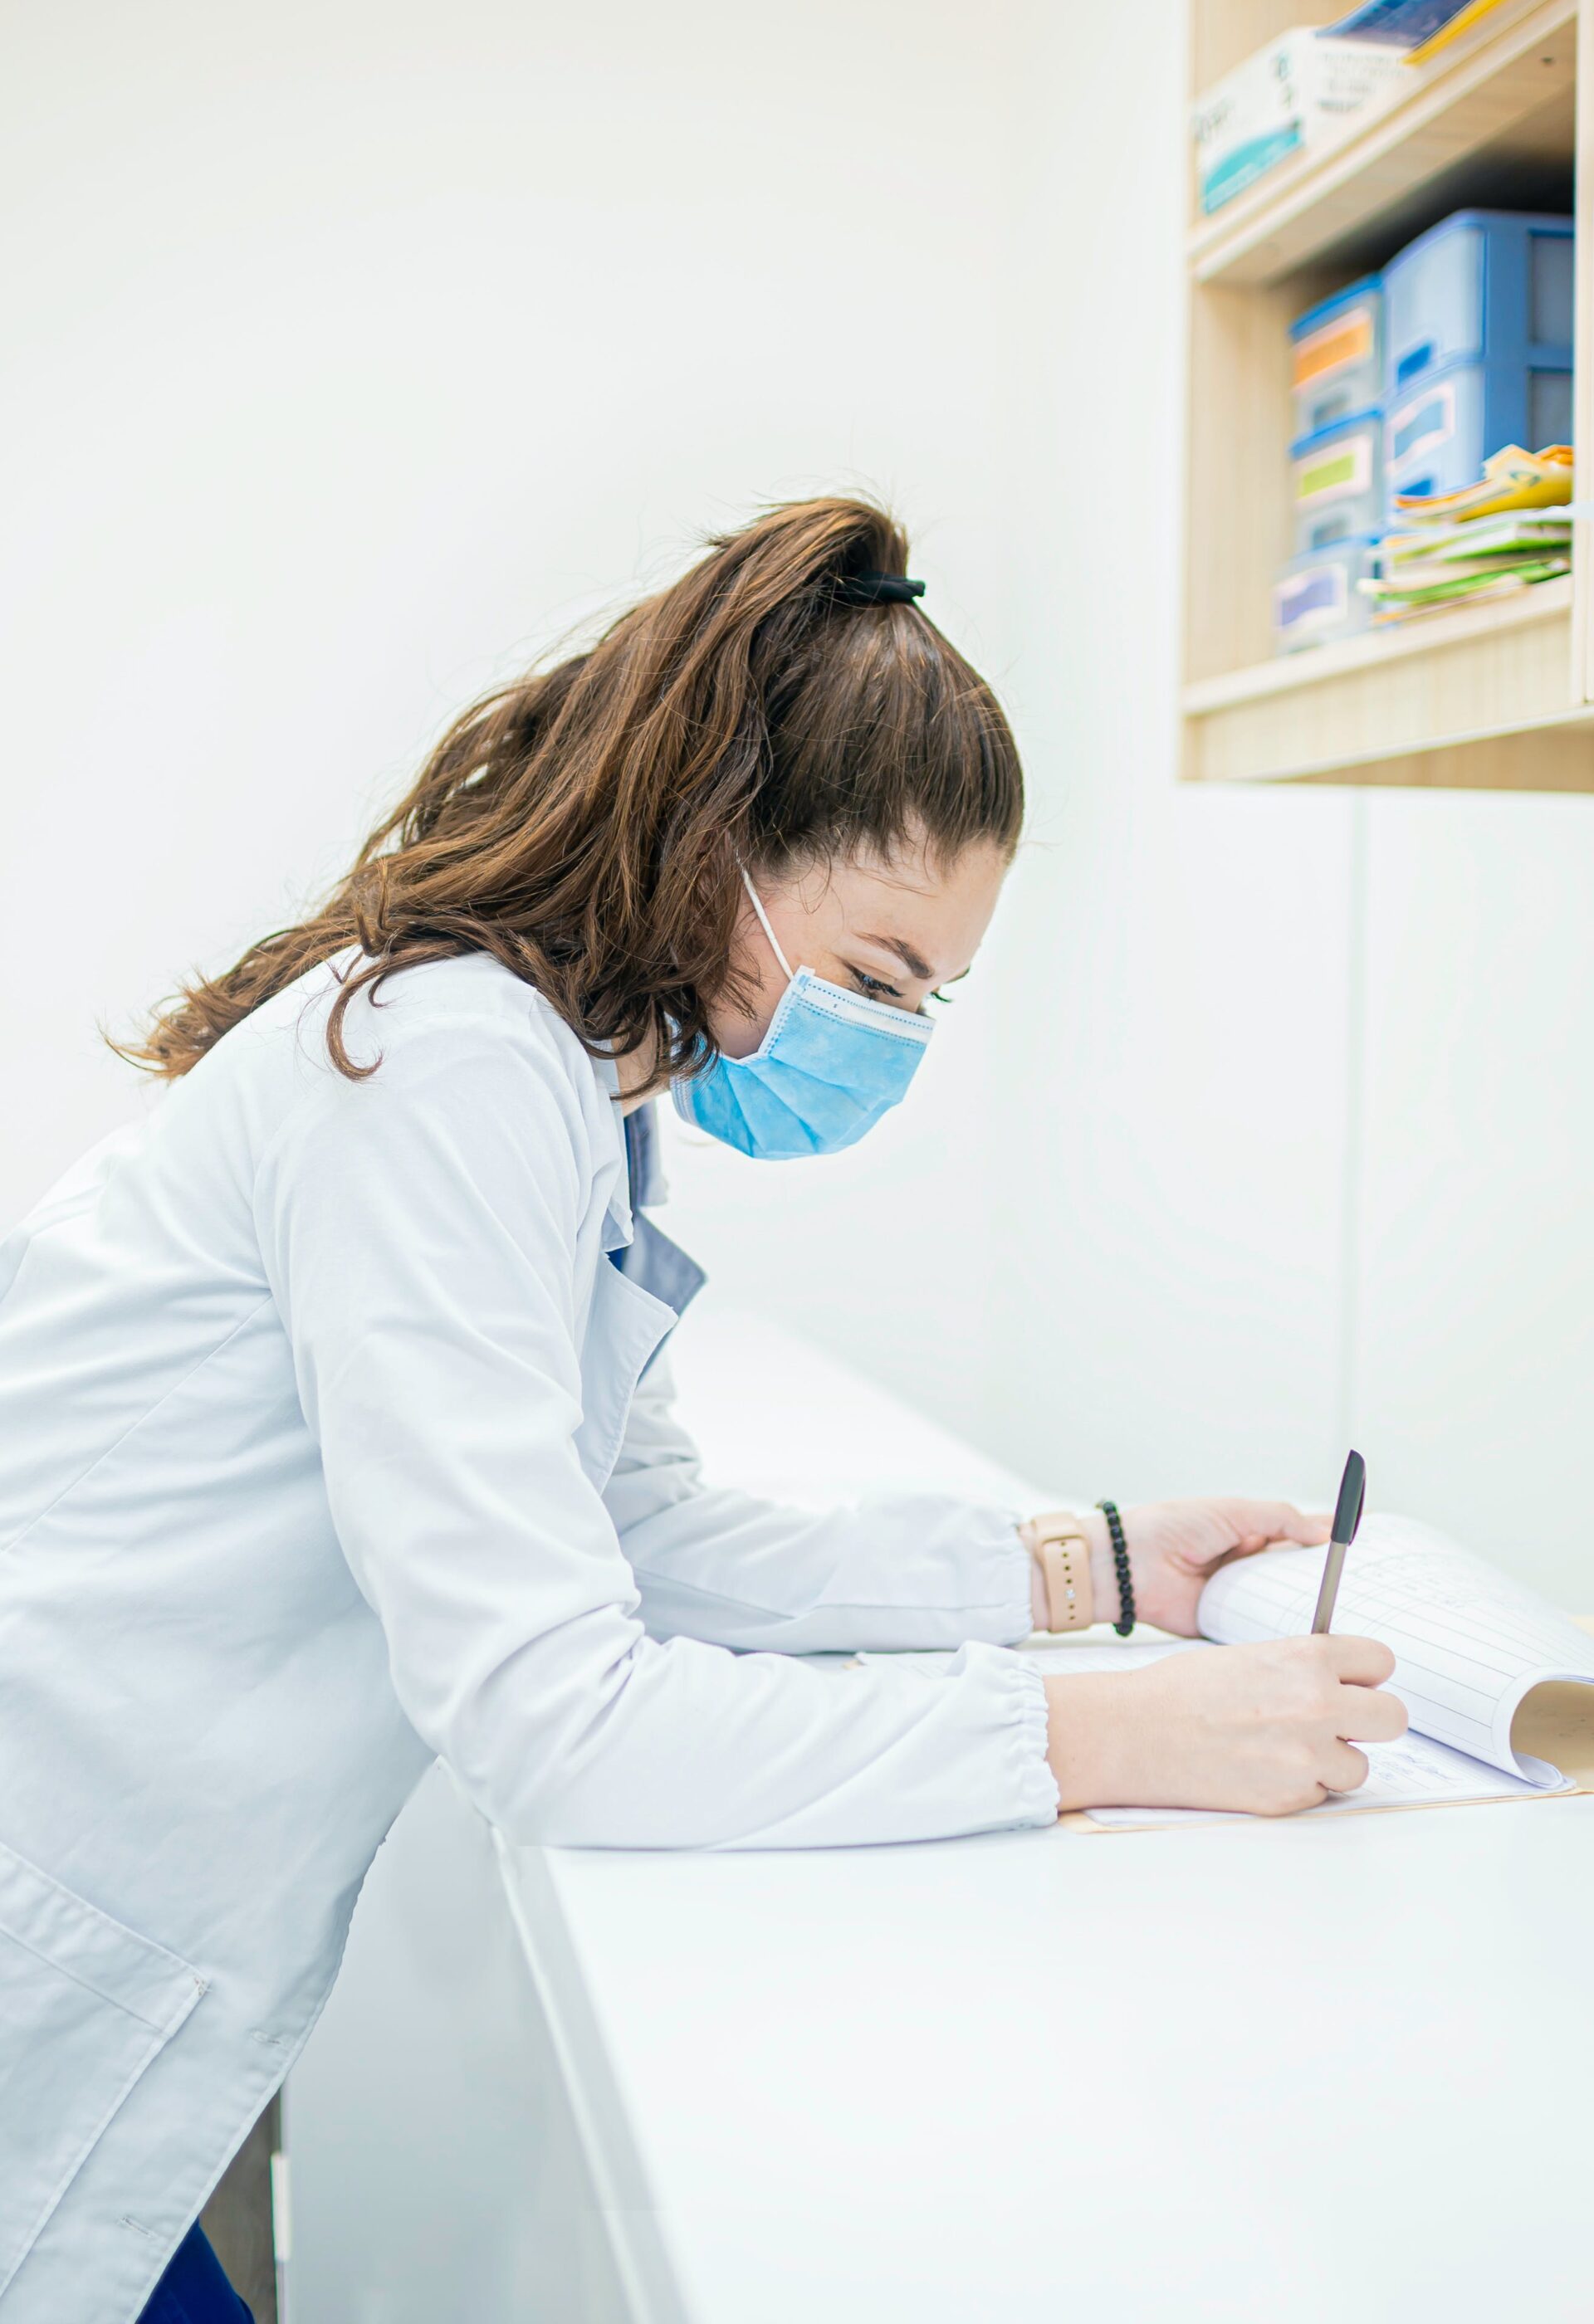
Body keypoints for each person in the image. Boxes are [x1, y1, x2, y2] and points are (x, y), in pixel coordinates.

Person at [0, 497, 1406, 2323]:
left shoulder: (573, 1087)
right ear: (713, 844)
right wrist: (1119, 1743)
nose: (896, 1039)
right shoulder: (448, 1068)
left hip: (122, 1926)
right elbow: (558, 1722)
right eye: (880, 977)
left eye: (935, 1000)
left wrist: (1101, 1566)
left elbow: (638, 1537)